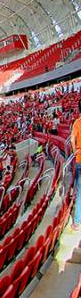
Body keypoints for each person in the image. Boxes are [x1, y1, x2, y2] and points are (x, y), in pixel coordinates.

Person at [72, 99, 81, 231]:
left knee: (80, 192)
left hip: (80, 158)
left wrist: (75, 152)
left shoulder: (77, 122)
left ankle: (77, 222)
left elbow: (73, 139)